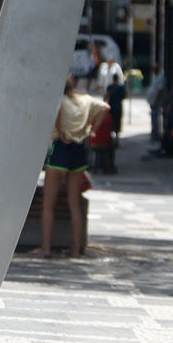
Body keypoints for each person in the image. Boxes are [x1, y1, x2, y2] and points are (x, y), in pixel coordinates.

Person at [36, 77, 109, 258]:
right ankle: (76, 250)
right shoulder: (85, 100)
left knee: (48, 203)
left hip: (61, 146)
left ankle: (46, 248)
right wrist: (91, 129)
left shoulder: (58, 100)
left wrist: (60, 130)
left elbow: (56, 114)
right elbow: (106, 108)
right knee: (74, 203)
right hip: (79, 149)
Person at [147, 63, 166, 143]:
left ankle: (155, 135)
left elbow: (160, 91)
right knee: (154, 118)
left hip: (156, 102)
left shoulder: (161, 77)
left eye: (154, 69)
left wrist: (156, 102)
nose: (153, 71)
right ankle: (154, 134)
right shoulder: (156, 76)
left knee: (155, 119)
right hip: (153, 101)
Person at [104, 73, 127, 139]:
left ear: (113, 79)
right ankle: (116, 138)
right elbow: (124, 96)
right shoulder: (121, 87)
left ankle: (111, 138)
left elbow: (106, 96)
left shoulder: (110, 87)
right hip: (118, 107)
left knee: (111, 122)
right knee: (117, 122)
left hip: (111, 107)